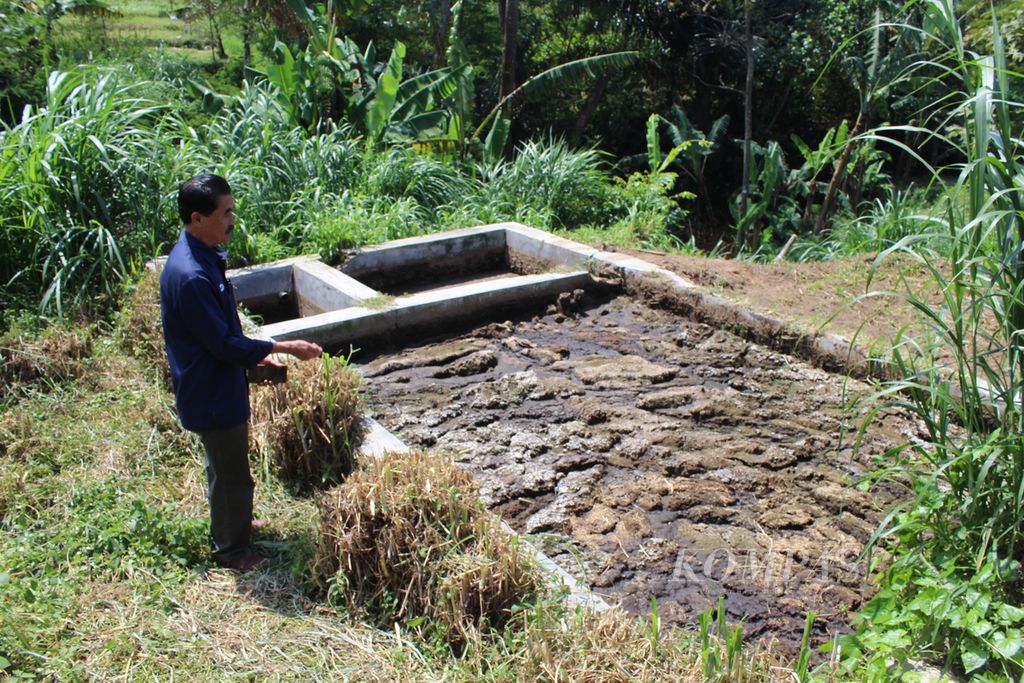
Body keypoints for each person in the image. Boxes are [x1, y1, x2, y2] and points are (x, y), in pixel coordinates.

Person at [160, 173, 322, 571]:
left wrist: (255, 356)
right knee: (229, 469)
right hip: (210, 387)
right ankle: (231, 551)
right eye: (226, 212)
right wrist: (281, 347)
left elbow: (223, 331)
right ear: (198, 218)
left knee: (229, 464)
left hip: (218, 379)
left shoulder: (201, 256)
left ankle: (237, 522)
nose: (232, 219)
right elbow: (222, 345)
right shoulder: (192, 275)